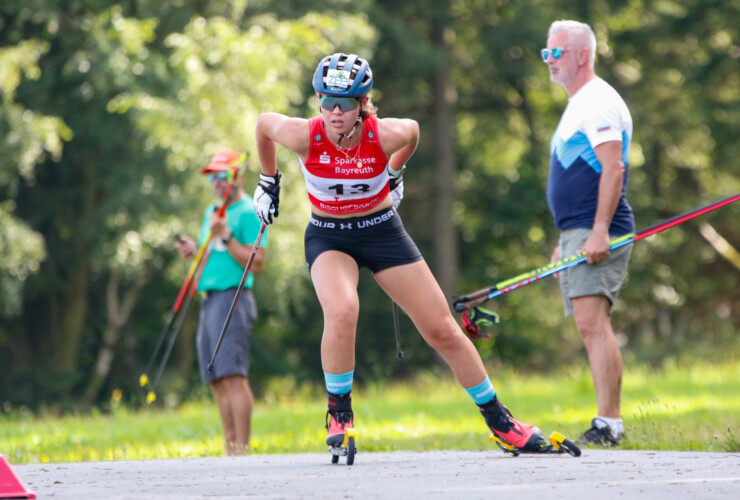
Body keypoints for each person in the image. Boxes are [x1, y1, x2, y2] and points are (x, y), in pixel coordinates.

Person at [252, 52, 555, 454]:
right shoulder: (305, 135)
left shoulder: (386, 134)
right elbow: (263, 126)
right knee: (342, 309)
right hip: (329, 236)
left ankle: (501, 421)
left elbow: (413, 132)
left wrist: (394, 172)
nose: (334, 112)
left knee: (442, 328)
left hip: (382, 232)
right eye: (325, 101)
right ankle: (339, 412)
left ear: (363, 104)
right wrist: (268, 180)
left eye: (344, 104)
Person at [543, 20, 635, 446]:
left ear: (582, 54)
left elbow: (613, 167)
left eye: (557, 52)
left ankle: (609, 425)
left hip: (601, 228)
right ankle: (607, 421)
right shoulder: (578, 103)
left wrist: (598, 230)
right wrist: (568, 235)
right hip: (579, 229)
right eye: (547, 53)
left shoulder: (597, 101)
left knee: (592, 323)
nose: (550, 61)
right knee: (588, 324)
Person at [175, 148, 268, 455]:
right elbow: (210, 252)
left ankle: (243, 450)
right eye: (212, 176)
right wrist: (194, 249)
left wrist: (227, 236)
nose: (216, 181)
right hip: (210, 299)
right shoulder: (210, 212)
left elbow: (256, 263)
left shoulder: (249, 211)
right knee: (216, 377)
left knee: (234, 376)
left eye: (222, 175)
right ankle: (231, 450)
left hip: (234, 298)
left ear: (237, 175)